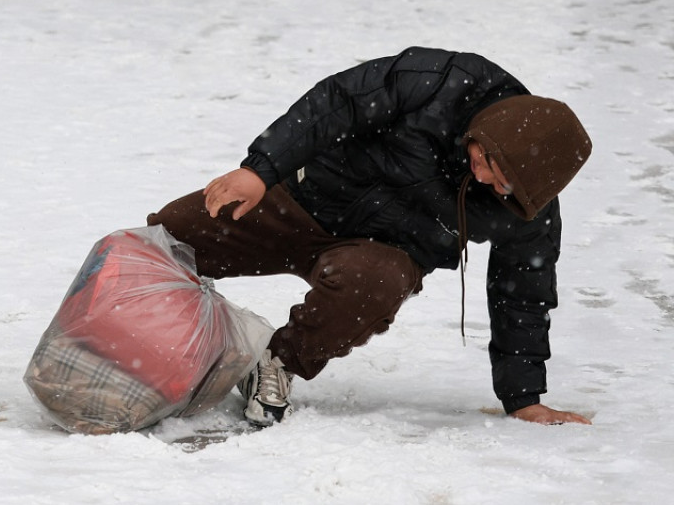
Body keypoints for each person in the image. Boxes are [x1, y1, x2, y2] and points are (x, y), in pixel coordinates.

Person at [148, 47, 594, 427]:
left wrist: (524, 398)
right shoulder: (440, 84)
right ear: (488, 136)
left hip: (381, 253)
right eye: (486, 165)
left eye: (504, 187)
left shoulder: (525, 205)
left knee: (373, 283)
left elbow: (524, 294)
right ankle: (143, 337)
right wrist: (259, 171)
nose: (487, 183)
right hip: (307, 197)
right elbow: (336, 102)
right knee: (168, 237)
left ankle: (278, 362)